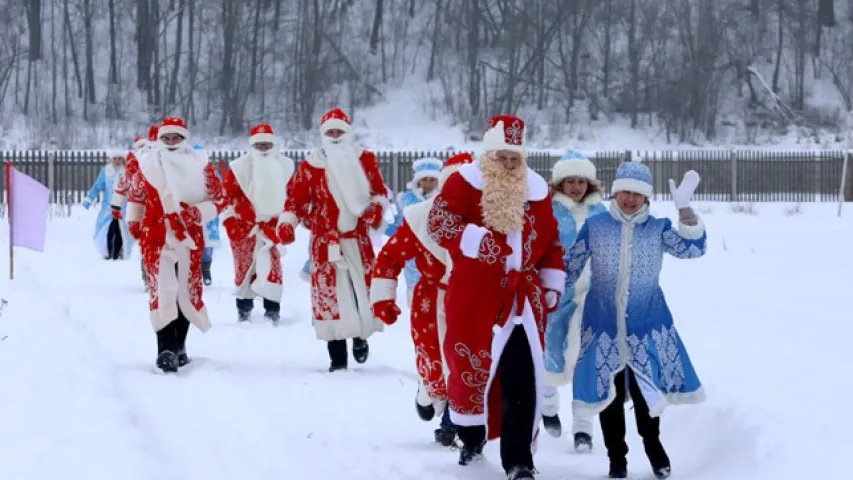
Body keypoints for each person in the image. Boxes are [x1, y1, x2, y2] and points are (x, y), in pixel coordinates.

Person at [426, 115, 565, 480]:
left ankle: (519, 460)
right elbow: (440, 224)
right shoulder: (463, 183)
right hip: (476, 296)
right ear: (488, 154)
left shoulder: (537, 190)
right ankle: (471, 439)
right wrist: (475, 241)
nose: (508, 163)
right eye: (502, 156)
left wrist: (551, 282)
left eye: (514, 157)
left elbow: (551, 241)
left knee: (523, 376)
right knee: (473, 370)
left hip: (523, 302)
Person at [562, 160, 706, 479]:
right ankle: (617, 459)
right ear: (615, 194)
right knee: (610, 396)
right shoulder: (597, 226)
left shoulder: (659, 227)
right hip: (602, 325)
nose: (630, 199)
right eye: (624, 192)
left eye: (637, 194)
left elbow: (693, 250)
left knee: (646, 393)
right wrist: (544, 289)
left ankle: (654, 447)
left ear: (646, 198)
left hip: (647, 322)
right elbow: (569, 266)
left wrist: (685, 211)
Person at [370, 152, 474, 447]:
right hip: (432, 300)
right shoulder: (420, 217)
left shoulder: (488, 217)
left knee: (464, 364)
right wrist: (383, 298)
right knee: (436, 363)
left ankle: (451, 424)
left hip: (474, 300)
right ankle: (427, 391)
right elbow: (390, 257)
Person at [277, 107, 389, 372]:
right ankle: (337, 357)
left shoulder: (365, 160)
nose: (335, 135)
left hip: (357, 241)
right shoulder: (310, 166)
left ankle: (360, 338)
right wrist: (287, 223)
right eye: (330, 132)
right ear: (323, 135)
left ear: (348, 132)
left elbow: (379, 192)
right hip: (325, 243)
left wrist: (376, 208)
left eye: (340, 131)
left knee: (359, 291)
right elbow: (295, 202)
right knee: (330, 298)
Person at [125, 116, 226, 373]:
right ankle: (165, 350)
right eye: (166, 137)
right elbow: (136, 197)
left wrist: (198, 213)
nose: (171, 142)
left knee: (185, 293)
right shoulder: (145, 164)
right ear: (158, 139)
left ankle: (180, 345)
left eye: (176, 137)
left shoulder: (200, 164)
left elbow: (220, 199)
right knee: (162, 291)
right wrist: (135, 223)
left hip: (189, 237)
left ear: (185, 139)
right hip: (156, 236)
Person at [540, 150, 607, 451]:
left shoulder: (600, 212)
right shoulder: (548, 211)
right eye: (570, 181)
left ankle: (583, 427)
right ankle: (548, 406)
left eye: (582, 181)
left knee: (586, 356)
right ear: (559, 184)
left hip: (591, 294)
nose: (577, 187)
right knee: (550, 350)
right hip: (555, 292)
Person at [221, 124, 294, 324]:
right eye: (259, 145)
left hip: (272, 228)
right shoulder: (238, 167)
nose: (263, 148)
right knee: (244, 270)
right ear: (252, 145)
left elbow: (293, 198)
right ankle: (243, 311)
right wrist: (229, 221)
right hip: (244, 227)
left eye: (267, 145)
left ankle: (272, 311)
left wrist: (288, 222)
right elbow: (226, 196)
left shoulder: (286, 166)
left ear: (273, 145)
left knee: (273, 269)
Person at [383, 157, 442, 306]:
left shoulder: (443, 198)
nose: (428, 183)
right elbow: (398, 225)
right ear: (418, 181)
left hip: (437, 253)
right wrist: (382, 226)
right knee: (417, 297)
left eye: (432, 179)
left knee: (438, 296)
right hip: (413, 255)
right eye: (424, 179)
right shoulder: (406, 199)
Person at [113, 125, 159, 290]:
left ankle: (149, 278)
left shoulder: (136, 157)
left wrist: (116, 203)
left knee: (147, 243)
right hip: (156, 206)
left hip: (142, 205)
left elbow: (124, 181)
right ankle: (154, 278)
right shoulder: (165, 154)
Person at [83, 151, 135, 260]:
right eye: (114, 158)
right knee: (108, 230)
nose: (117, 161)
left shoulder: (128, 172)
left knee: (122, 231)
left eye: (119, 158)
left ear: (123, 160)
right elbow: (97, 187)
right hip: (108, 209)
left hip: (123, 208)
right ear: (111, 159)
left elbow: (134, 189)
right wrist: (89, 199)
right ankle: (108, 252)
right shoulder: (106, 172)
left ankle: (119, 252)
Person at [192, 144, 222, 287]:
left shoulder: (213, 174)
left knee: (207, 247)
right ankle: (194, 273)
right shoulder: (187, 173)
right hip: (191, 214)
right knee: (192, 245)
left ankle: (206, 270)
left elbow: (219, 193)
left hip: (209, 215)